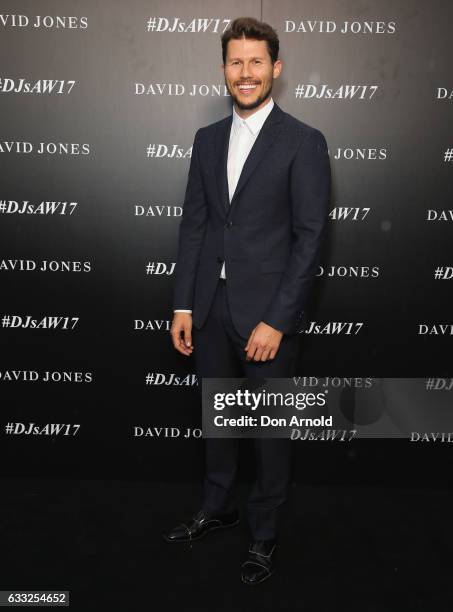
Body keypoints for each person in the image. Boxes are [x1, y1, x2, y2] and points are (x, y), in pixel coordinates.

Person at [165, 16, 331, 585]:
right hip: (209, 310)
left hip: (266, 318)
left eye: (256, 62)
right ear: (224, 69)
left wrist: (277, 321)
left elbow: (310, 239)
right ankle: (217, 509)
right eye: (236, 62)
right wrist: (184, 304)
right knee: (217, 421)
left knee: (268, 431)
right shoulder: (207, 140)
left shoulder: (303, 141)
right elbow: (195, 225)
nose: (245, 72)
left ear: (275, 69)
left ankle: (264, 535)